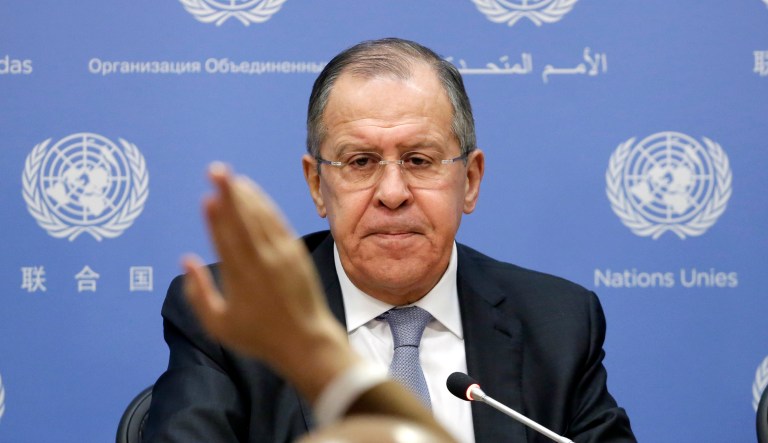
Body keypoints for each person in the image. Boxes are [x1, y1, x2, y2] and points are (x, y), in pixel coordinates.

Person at [144, 38, 636, 443]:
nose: (393, 193)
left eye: (420, 160)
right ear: (317, 185)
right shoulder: (238, 315)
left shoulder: (558, 322)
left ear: (470, 180)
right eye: (360, 162)